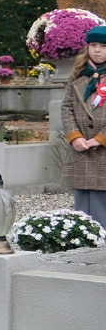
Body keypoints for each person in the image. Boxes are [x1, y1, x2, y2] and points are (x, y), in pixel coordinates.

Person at [62, 26, 106, 228]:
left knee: (100, 201)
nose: (97, 50)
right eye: (93, 45)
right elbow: (67, 107)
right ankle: (84, 244)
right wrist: (75, 136)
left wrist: (100, 138)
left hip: (102, 148)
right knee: (82, 202)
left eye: (103, 46)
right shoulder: (78, 75)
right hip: (81, 148)